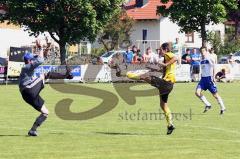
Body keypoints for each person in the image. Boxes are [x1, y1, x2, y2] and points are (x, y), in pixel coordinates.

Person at [19, 39, 73, 136]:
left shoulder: (29, 68)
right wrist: (40, 47)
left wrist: (46, 48)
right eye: (32, 58)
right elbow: (40, 60)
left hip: (28, 95)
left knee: (45, 112)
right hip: (28, 89)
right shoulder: (27, 67)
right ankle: (66, 75)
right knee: (44, 75)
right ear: (29, 60)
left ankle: (33, 130)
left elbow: (40, 58)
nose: (34, 59)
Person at [127, 43, 177, 135]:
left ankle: (129, 75)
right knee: (163, 105)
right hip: (169, 86)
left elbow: (175, 58)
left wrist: (165, 64)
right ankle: (170, 125)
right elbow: (165, 69)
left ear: (165, 49)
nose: (160, 51)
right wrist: (154, 69)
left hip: (166, 83)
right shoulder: (166, 57)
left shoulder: (167, 54)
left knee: (145, 76)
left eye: (161, 49)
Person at [195, 47, 226, 115]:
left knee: (215, 95)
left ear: (206, 51)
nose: (202, 52)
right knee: (197, 92)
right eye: (201, 51)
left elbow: (214, 66)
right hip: (203, 79)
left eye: (203, 51)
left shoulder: (209, 58)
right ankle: (208, 105)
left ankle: (223, 107)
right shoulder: (201, 59)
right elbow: (202, 68)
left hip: (209, 79)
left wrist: (214, 77)